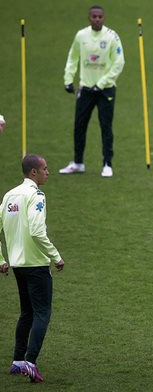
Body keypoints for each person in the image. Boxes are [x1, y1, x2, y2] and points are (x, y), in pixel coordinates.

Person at [0, 154, 66, 383]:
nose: (49, 172)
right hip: (36, 264)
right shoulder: (36, 195)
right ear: (33, 173)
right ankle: (30, 361)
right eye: (45, 169)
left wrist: (1, 259)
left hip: (17, 264)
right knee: (42, 313)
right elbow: (37, 231)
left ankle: (18, 361)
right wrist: (56, 257)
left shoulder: (9, 195)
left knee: (26, 312)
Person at [60, 5, 125, 178]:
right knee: (79, 125)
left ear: (104, 18)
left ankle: (107, 164)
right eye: (94, 16)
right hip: (86, 88)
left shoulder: (112, 37)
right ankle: (78, 163)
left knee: (106, 126)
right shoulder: (81, 36)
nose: (97, 19)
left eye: (100, 16)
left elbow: (119, 63)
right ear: (89, 18)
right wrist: (68, 79)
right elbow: (72, 58)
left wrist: (102, 82)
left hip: (106, 90)